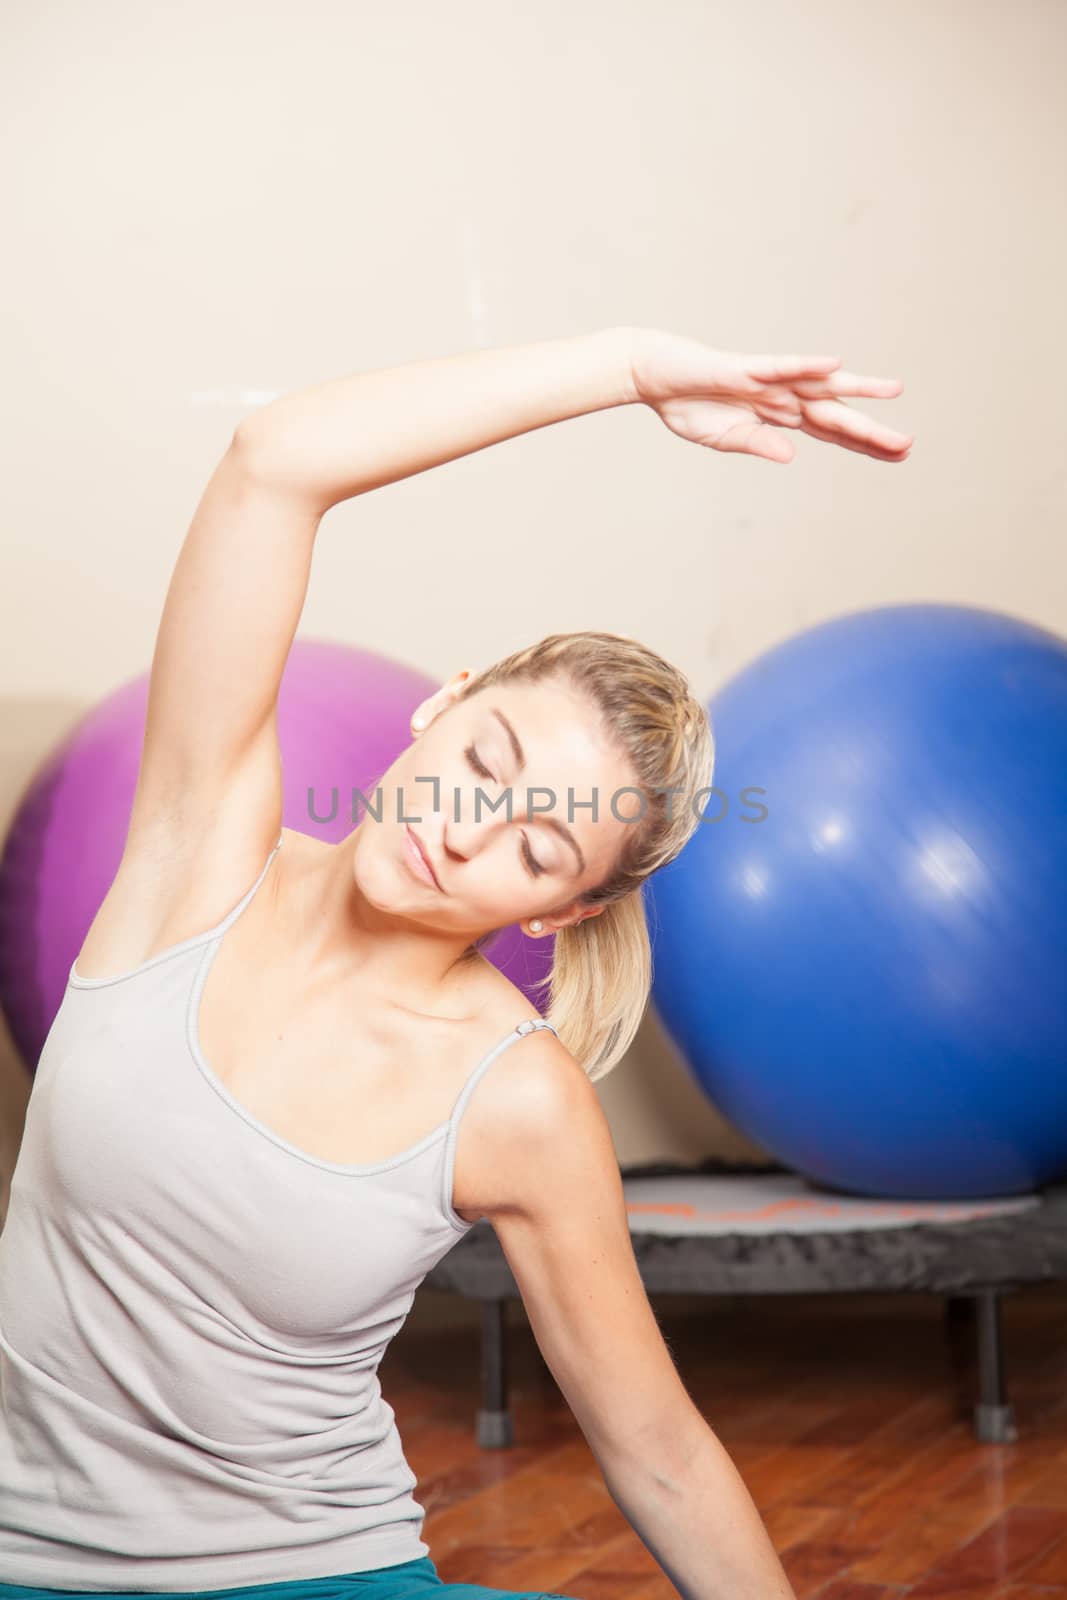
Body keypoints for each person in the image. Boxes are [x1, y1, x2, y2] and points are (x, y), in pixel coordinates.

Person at [0, 325, 912, 1600]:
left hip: (310, 1574)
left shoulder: (514, 1098)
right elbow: (273, 462)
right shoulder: (196, 852)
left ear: (559, 916)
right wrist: (630, 369)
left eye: (536, 847)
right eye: (483, 763)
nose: (461, 830)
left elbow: (654, 1449)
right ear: (444, 701)